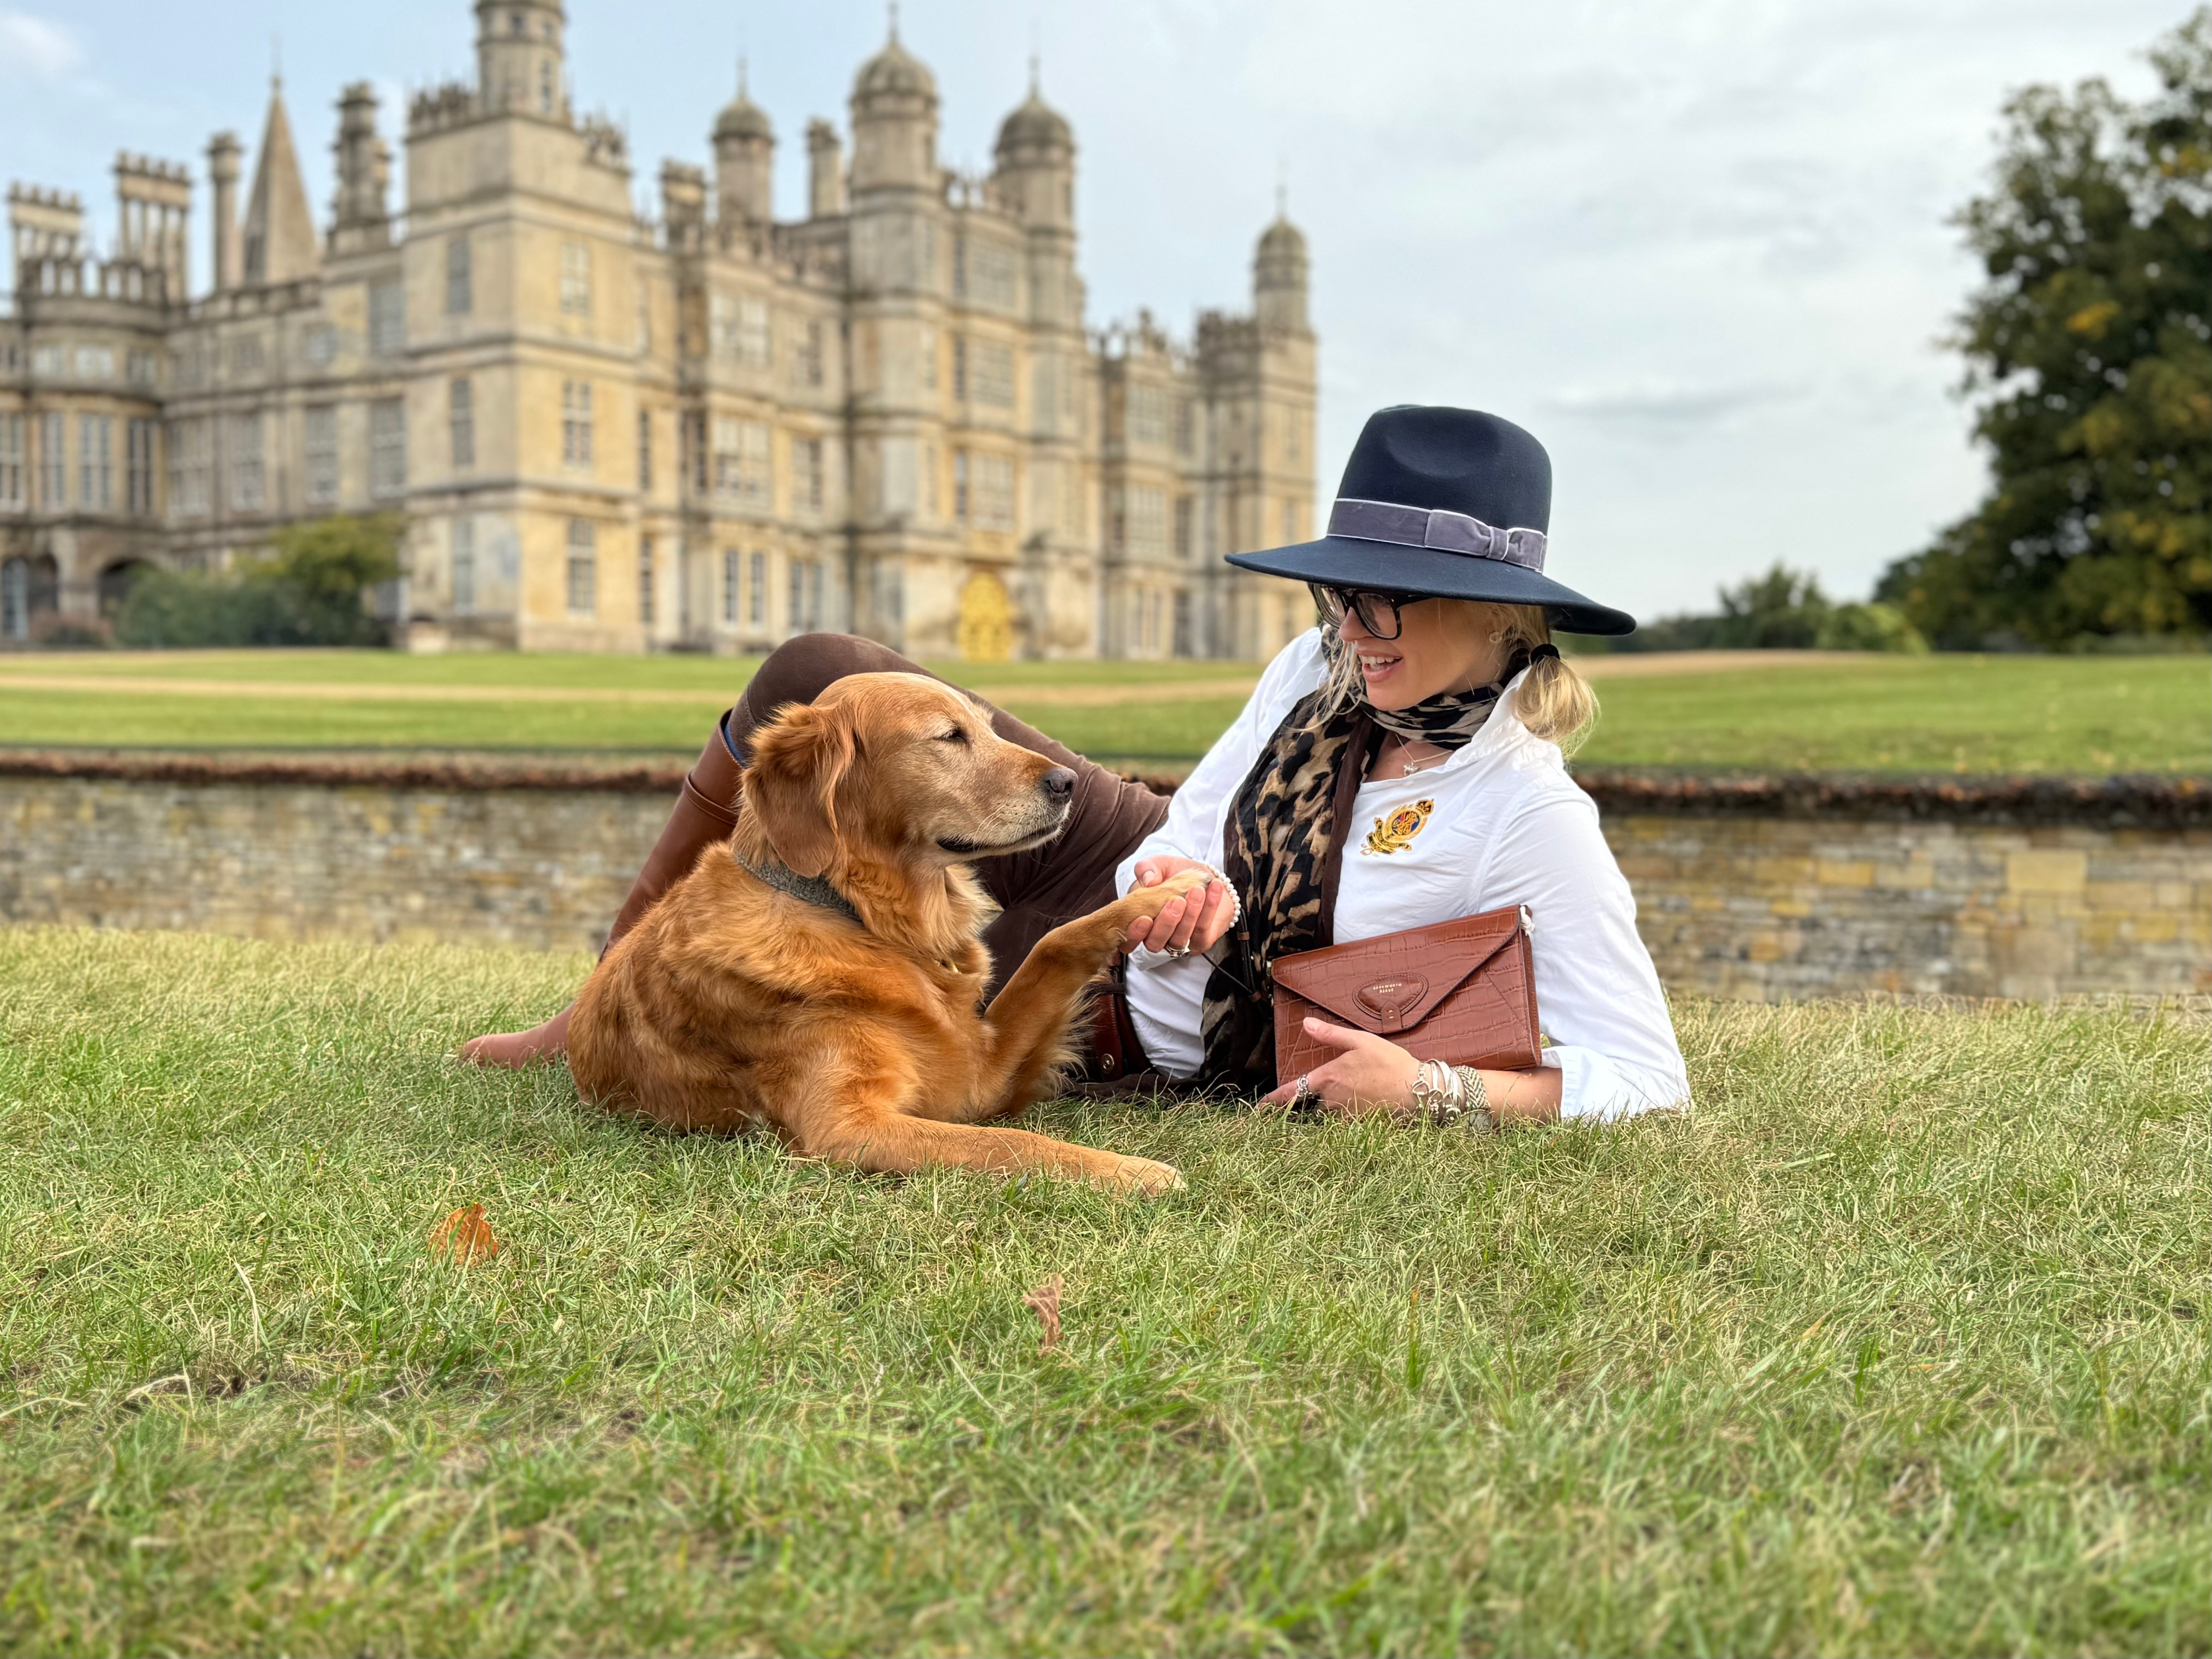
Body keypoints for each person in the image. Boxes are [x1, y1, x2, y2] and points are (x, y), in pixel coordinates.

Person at [465, 406, 1688, 1129]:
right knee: (820, 667)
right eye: (1339, 592)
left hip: (1113, 1022)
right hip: (1111, 898)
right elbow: (1188, 830)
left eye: (1395, 602)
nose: (1355, 626)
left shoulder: (1528, 814)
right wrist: (1179, 879)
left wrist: (1432, 1090)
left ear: (1503, 617)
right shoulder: (1312, 669)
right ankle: (593, 1005)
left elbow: (1647, 1077)